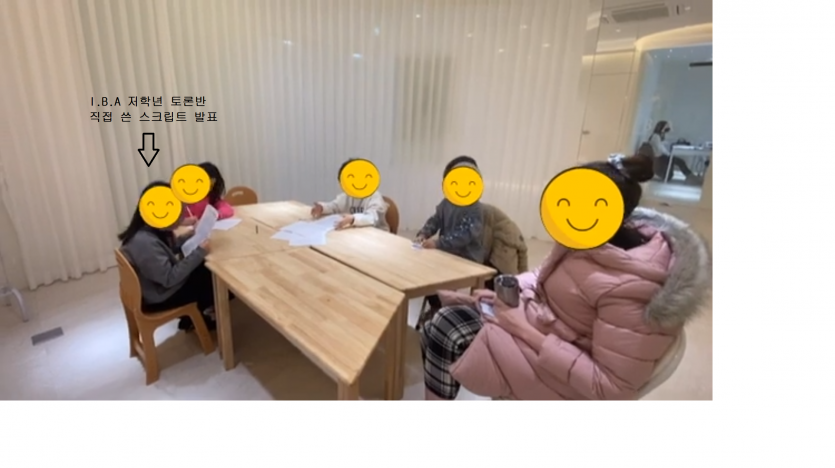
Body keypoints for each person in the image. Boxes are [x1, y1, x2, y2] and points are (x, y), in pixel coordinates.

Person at [420, 154, 711, 400]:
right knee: (440, 318)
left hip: (556, 371)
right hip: (540, 329)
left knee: (444, 327)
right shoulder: (586, 239)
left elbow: (612, 388)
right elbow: (543, 276)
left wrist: (522, 329)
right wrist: (507, 292)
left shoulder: (635, 285)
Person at [119, 181, 218, 331]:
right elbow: (169, 278)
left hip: (156, 289)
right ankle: (199, 318)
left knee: (203, 269)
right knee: (211, 276)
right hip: (159, 297)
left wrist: (189, 235)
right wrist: (199, 251)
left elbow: (166, 250)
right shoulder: (144, 242)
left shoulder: (148, 230)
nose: (180, 218)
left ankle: (192, 318)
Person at [415, 156, 485, 329]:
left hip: (467, 257)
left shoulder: (476, 209)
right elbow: (435, 220)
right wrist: (424, 233)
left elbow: (465, 235)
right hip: (446, 252)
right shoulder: (446, 203)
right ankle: (436, 306)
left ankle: (445, 310)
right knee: (426, 272)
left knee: (441, 277)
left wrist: (438, 243)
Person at [310, 159, 390, 231]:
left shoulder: (375, 197)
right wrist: (323, 208)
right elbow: (335, 206)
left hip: (377, 234)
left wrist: (353, 219)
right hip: (356, 233)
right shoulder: (346, 196)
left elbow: (373, 218)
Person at [646, 120, 699, 184]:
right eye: (666, 127)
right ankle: (690, 176)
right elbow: (659, 148)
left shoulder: (659, 136)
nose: (667, 129)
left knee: (679, 162)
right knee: (679, 162)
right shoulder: (655, 136)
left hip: (662, 156)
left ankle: (690, 176)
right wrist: (669, 154)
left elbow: (663, 146)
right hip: (659, 157)